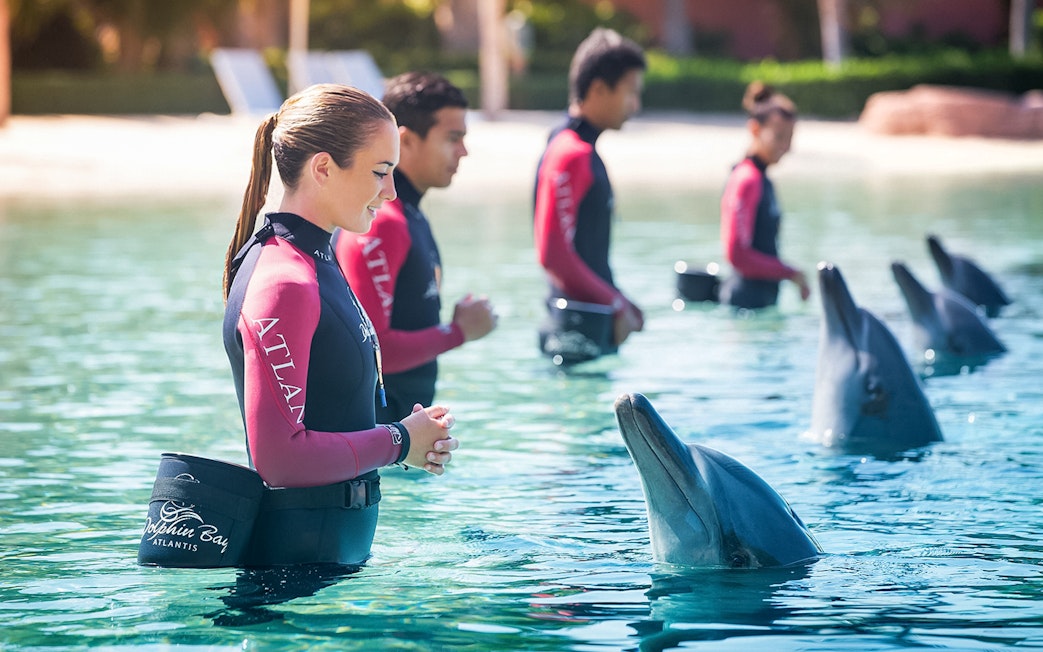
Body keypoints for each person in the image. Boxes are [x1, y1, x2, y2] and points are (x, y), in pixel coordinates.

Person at [222, 84, 459, 567]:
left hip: (324, 574)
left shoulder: (316, 260)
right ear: (324, 168)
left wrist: (409, 440)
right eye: (379, 172)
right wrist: (399, 441)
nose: (391, 191)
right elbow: (279, 459)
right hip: (292, 585)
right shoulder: (285, 280)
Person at [334, 71, 497, 423]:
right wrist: (458, 332)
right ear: (405, 141)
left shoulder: (407, 216)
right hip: (377, 435)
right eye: (453, 138)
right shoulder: (382, 223)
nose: (464, 151)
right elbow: (373, 349)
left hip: (395, 437)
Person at [532, 27, 646, 354]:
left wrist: (620, 300)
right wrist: (615, 302)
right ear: (598, 89)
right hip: (575, 335)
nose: (635, 105)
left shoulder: (573, 146)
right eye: (630, 92)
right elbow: (553, 255)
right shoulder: (571, 153)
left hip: (583, 327)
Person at [718, 81, 810, 309]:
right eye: (779, 137)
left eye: (790, 138)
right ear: (755, 130)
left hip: (759, 305)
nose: (786, 146)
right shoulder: (747, 179)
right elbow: (737, 254)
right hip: (745, 305)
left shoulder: (761, 178)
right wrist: (790, 272)